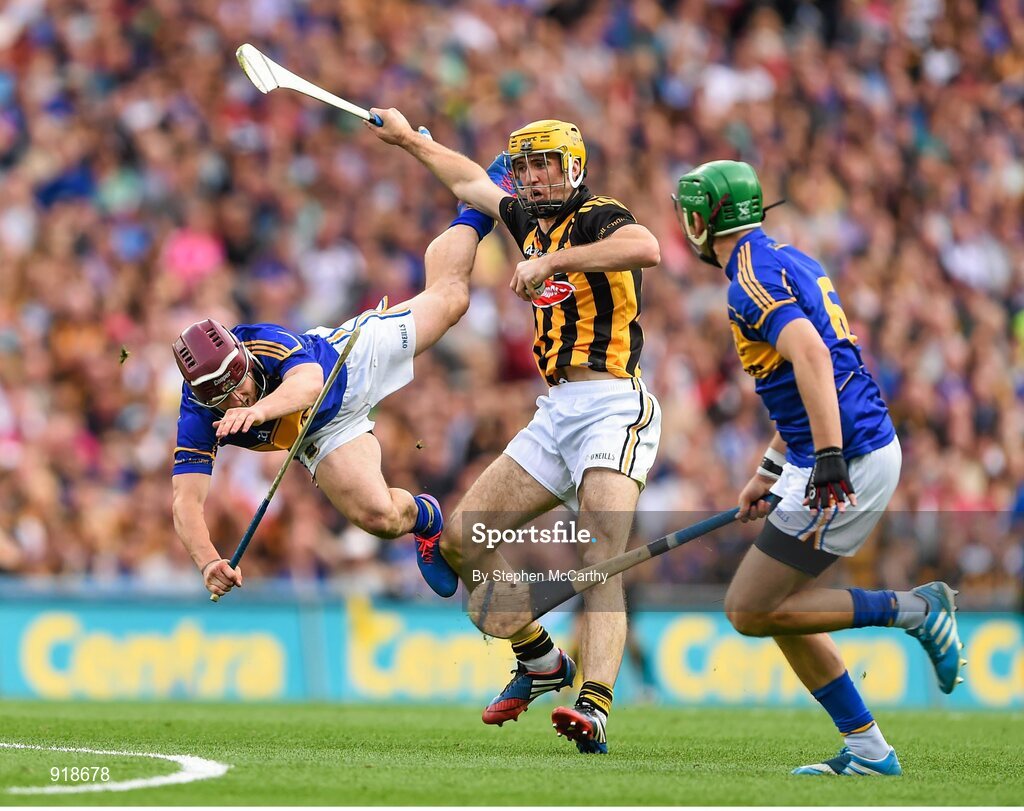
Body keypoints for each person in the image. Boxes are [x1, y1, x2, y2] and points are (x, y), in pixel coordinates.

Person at [368, 111, 662, 754]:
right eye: (524, 166)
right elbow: (471, 181)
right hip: (553, 413)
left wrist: (553, 259)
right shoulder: (526, 218)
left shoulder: (596, 214)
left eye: (544, 164)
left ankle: (596, 705)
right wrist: (408, 139)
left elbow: (647, 248)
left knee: (601, 550)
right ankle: (540, 661)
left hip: (613, 405)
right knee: (462, 543)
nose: (531, 176)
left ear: (574, 167)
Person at [672, 160, 965, 777]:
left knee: (749, 609)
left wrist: (827, 457)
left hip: (848, 456)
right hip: (839, 449)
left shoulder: (745, 279)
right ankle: (867, 750)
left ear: (702, 219)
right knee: (779, 606)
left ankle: (915, 609)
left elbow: (809, 353)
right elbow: (799, 380)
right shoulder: (786, 259)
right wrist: (773, 466)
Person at [171, 222, 479, 600]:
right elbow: (186, 500)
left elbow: (309, 384)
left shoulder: (261, 340)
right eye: (223, 398)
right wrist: (207, 561)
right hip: (322, 432)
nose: (237, 401)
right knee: (379, 519)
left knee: (453, 301)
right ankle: (426, 519)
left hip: (352, 361)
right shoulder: (197, 414)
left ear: (243, 359)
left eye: (240, 385)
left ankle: (475, 212)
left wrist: (259, 411)